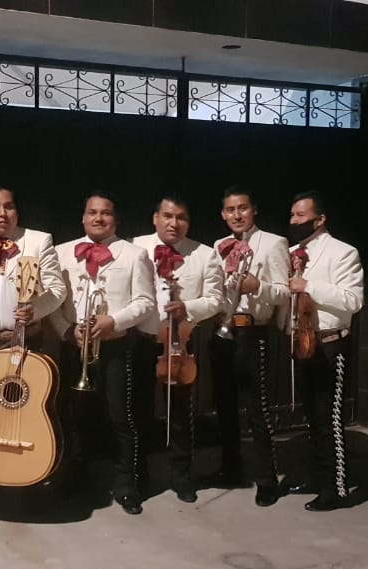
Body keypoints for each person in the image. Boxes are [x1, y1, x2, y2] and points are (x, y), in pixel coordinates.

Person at [0, 181, 66, 513]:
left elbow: (57, 289)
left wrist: (37, 309)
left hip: (25, 339)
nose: (2, 213)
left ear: (16, 210)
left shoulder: (37, 241)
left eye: (8, 206)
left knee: (26, 416)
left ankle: (27, 485)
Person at [49, 191, 156, 515]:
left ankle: (127, 484)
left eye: (105, 213)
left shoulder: (134, 254)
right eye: (92, 212)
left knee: (119, 418)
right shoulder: (62, 252)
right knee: (74, 416)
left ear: (115, 219)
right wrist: (68, 329)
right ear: (83, 218)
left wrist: (114, 320)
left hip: (115, 347)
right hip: (74, 346)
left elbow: (146, 302)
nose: (98, 218)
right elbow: (54, 300)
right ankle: (75, 479)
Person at [131, 197, 224, 503]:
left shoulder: (205, 254)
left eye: (181, 217)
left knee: (181, 413)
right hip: (143, 338)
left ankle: (182, 475)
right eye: (168, 216)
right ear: (155, 218)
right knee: (139, 410)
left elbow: (215, 300)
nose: (174, 223)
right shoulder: (136, 247)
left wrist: (187, 306)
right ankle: (138, 477)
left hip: (180, 342)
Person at [282, 191, 364, 512]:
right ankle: (317, 478)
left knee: (329, 419)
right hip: (303, 342)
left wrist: (309, 287)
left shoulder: (343, 253)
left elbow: (353, 300)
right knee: (311, 419)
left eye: (300, 216)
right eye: (292, 216)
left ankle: (337, 488)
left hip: (332, 344)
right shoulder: (291, 254)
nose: (294, 222)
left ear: (320, 219)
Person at [212, 185, 290, 507]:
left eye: (242, 208)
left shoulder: (273, 243)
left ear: (253, 209)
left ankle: (267, 479)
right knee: (225, 405)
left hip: (252, 331)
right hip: (222, 329)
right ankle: (230, 468)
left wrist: (257, 285)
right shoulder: (218, 245)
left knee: (257, 410)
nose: (236, 215)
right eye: (230, 210)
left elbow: (285, 293)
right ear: (223, 214)